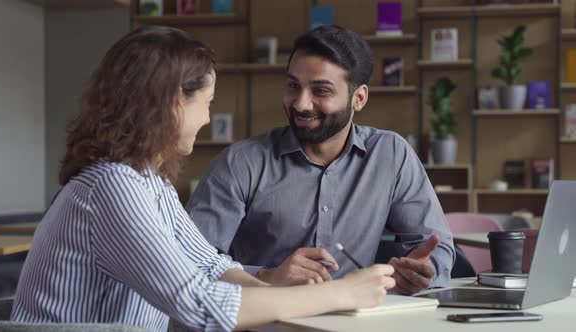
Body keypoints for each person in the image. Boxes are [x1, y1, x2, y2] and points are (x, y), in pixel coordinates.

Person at [10, 26, 396, 332]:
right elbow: (199, 305)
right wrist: (340, 294)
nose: (208, 119)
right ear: (170, 103)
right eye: (206, 103)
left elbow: (209, 265)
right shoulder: (111, 186)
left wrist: (276, 293)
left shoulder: (147, 181)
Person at [187, 25, 455, 295]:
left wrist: (424, 270)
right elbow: (187, 262)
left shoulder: (391, 154)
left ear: (358, 99)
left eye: (321, 91)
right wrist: (268, 276)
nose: (301, 104)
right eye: (293, 86)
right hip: (265, 320)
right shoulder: (241, 163)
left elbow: (437, 247)